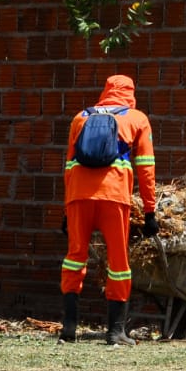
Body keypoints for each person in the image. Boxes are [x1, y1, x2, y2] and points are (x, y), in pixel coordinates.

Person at [59, 74, 157, 345]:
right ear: (131, 93)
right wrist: (150, 211)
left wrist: (67, 210)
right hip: (114, 195)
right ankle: (115, 331)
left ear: (106, 91)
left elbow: (68, 166)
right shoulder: (136, 118)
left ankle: (69, 327)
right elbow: (146, 168)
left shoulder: (81, 117)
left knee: (74, 257)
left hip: (79, 195)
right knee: (118, 262)